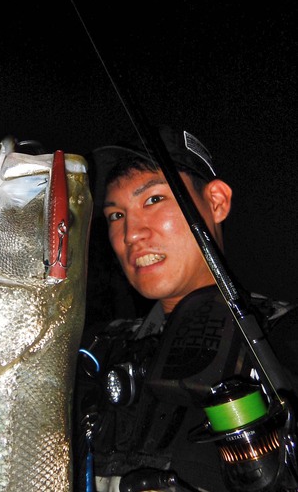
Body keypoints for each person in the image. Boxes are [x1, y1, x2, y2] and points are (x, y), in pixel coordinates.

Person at [75, 126, 298, 492]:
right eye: (116, 216)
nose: (131, 233)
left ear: (216, 202)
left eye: (153, 200)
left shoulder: (284, 338)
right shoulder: (95, 351)